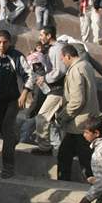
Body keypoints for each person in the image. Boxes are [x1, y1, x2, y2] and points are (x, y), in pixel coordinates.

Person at [0, 31, 33, 178]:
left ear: (10, 42)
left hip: (13, 100)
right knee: (2, 127)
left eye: (5, 42)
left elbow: (30, 75)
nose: (2, 45)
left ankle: (8, 167)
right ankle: (13, 138)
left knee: (6, 127)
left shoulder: (17, 57)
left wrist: (25, 93)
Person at [55, 44, 100, 181]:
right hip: (85, 121)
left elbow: (77, 101)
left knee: (75, 158)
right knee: (70, 154)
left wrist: (62, 116)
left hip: (78, 123)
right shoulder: (86, 65)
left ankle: (69, 184)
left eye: (62, 59)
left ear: (68, 56)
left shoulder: (75, 70)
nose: (62, 61)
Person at [32, 26, 67, 156]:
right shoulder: (52, 49)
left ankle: (45, 147)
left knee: (42, 118)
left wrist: (45, 78)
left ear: (49, 35)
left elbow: (60, 70)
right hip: (55, 89)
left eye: (42, 35)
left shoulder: (57, 49)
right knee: (57, 122)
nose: (40, 38)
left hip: (58, 89)